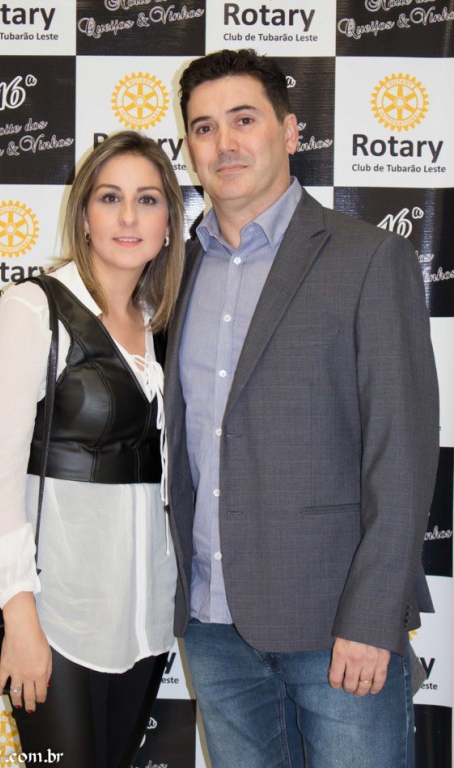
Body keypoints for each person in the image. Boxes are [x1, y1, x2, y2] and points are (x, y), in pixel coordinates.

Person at [164, 49, 439, 768]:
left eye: (244, 120)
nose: (224, 143)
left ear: (289, 132)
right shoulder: (175, 271)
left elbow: (402, 452)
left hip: (335, 626)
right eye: (203, 127)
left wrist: (372, 617)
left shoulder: (367, 258)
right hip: (211, 627)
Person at [0, 130, 184, 768]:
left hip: (144, 616)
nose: (128, 217)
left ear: (169, 223)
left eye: (147, 199)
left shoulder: (165, 324)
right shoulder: (34, 310)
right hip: (54, 614)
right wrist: (20, 616)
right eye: (110, 198)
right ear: (84, 215)